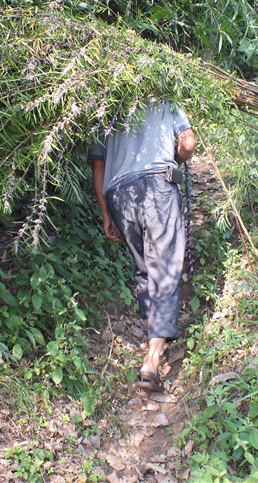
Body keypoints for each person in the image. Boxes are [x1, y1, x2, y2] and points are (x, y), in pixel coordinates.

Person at [89, 99, 195, 391]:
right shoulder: (165, 100)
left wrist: (105, 212)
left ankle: (153, 334)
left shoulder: (104, 107)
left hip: (119, 195)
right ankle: (152, 358)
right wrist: (175, 163)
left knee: (145, 267)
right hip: (158, 187)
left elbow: (99, 166)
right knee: (164, 269)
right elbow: (187, 143)